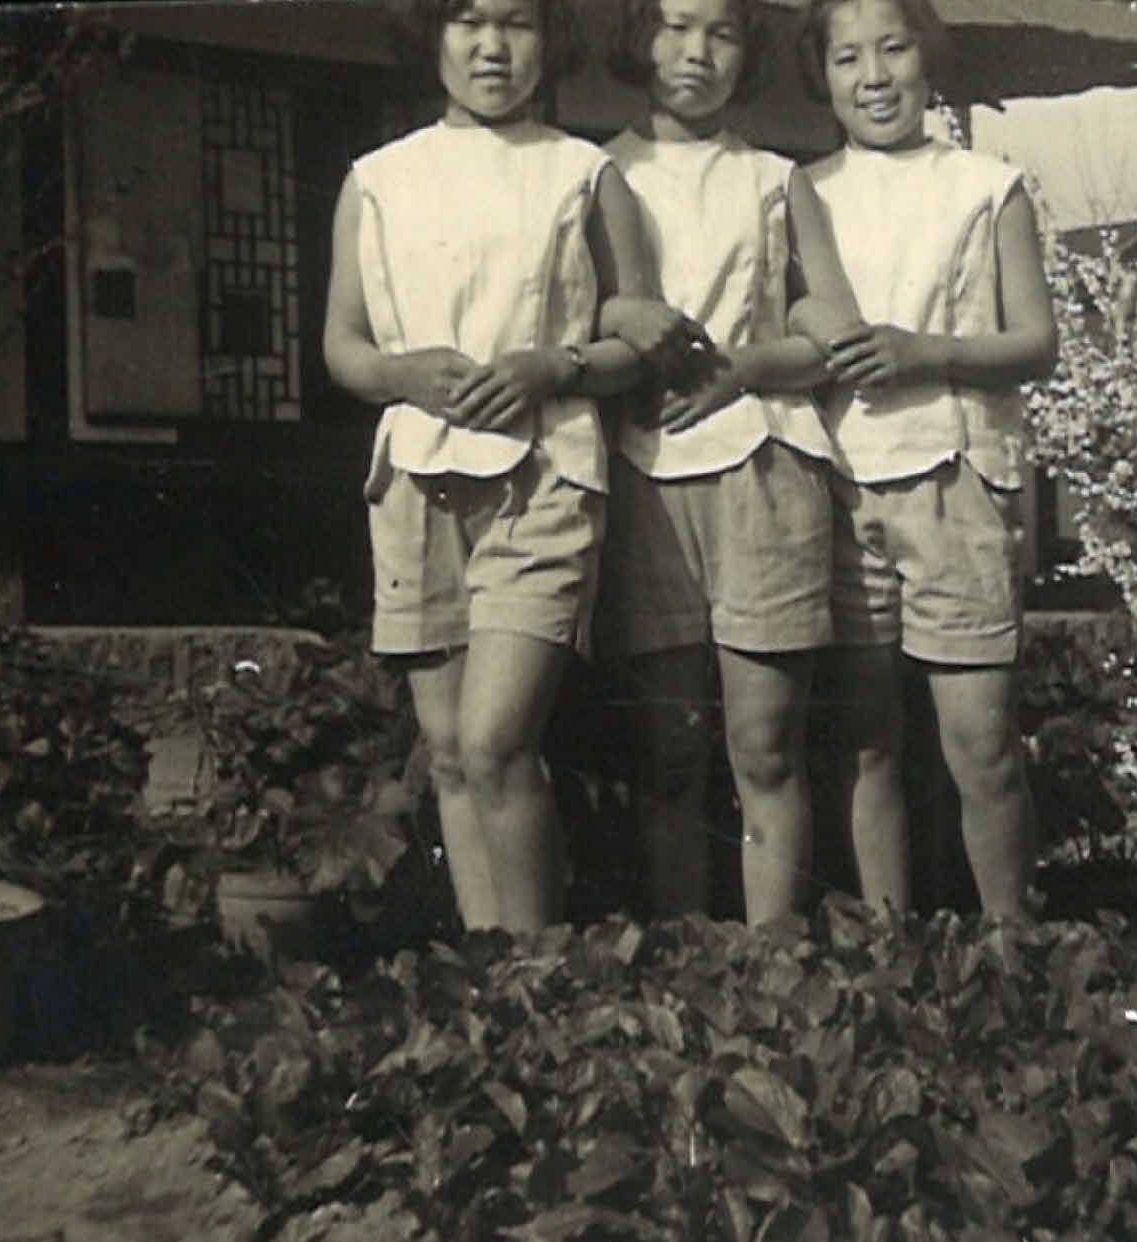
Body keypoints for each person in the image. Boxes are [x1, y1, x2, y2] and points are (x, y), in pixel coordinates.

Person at [322, 0, 690, 934]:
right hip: (416, 481)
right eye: (467, 21)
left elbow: (639, 340)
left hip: (544, 476)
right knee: (450, 753)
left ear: (549, 39)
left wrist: (551, 366)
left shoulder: (584, 174)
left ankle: (543, 977)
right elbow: (344, 344)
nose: (492, 47)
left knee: (496, 742)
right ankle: (493, 978)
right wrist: (403, 374)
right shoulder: (378, 179)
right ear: (432, 35)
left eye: (517, 23)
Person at [595, 0, 863, 923]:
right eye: (674, 26)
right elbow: (575, 313)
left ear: (747, 53)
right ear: (639, 35)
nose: (696, 53)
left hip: (766, 467)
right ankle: (684, 964)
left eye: (721, 33)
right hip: (645, 474)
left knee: (765, 747)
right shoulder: (598, 173)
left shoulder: (773, 179)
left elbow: (830, 330)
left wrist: (747, 367)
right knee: (668, 753)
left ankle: (773, 967)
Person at [798, 0, 1058, 920]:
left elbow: (1036, 343)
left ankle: (1015, 949)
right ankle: (887, 951)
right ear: (823, 74)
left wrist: (926, 353)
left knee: (981, 745)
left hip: (956, 483)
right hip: (840, 487)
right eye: (847, 58)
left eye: (893, 49)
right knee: (865, 742)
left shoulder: (987, 187)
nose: (873, 77)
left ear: (927, 57)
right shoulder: (803, 192)